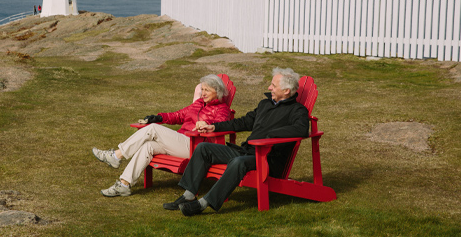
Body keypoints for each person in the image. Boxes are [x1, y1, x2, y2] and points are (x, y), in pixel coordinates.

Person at [163, 67, 309, 216]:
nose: (269, 87)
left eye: (273, 85)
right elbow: (243, 122)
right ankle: (188, 195)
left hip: (268, 158)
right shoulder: (265, 104)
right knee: (203, 148)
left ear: (286, 91)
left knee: (238, 162)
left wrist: (271, 135)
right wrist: (214, 126)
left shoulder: (298, 110)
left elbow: (302, 129)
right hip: (247, 151)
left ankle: (203, 204)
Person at [92, 74, 233, 197]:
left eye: (207, 90)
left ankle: (116, 155)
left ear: (218, 91)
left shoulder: (222, 109)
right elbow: (178, 115)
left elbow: (221, 124)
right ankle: (124, 185)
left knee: (153, 129)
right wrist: (159, 118)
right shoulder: (198, 104)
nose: (202, 93)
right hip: (181, 142)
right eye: (202, 89)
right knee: (148, 146)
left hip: (197, 147)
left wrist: (206, 124)